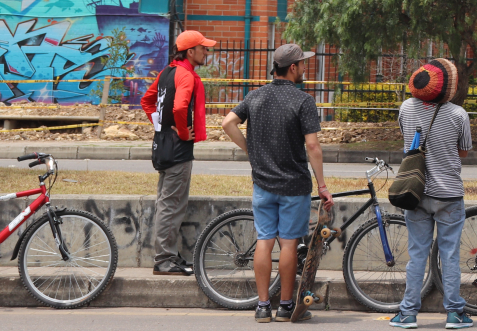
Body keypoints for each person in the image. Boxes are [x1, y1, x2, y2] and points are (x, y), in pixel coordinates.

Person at [221, 44, 333, 323]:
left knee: (264, 240)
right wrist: (321, 185)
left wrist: (250, 151)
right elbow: (313, 146)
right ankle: (285, 306)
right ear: (292, 68)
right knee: (288, 245)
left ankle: (262, 307)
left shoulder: (255, 96)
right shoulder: (303, 101)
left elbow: (227, 123)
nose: (305, 69)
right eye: (302, 64)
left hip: (263, 184)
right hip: (294, 186)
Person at [389, 59, 474, 331]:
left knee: (417, 255)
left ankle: (408, 314)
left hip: (415, 192)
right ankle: (454, 314)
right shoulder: (458, 114)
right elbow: (463, 151)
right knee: (449, 255)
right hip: (448, 194)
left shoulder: (405, 109)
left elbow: (407, 143)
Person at [141, 29, 215, 276]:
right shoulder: (185, 75)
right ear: (190, 51)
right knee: (172, 205)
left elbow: (147, 101)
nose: (207, 51)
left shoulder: (167, 72)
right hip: (177, 148)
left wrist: (159, 125)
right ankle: (164, 260)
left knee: (166, 202)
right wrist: (183, 133)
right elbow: (181, 106)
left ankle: (168, 255)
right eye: (203, 48)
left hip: (161, 145)